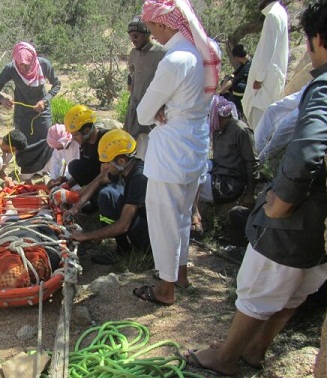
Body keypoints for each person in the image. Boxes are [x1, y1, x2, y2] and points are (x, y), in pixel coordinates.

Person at [183, 2, 327, 375]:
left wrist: (280, 200)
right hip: (322, 222)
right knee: (296, 290)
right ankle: (254, 352)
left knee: (256, 290)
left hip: (299, 214)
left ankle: (226, 358)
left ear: (317, 38)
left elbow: (310, 148)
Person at [133, 0, 221, 306]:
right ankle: (180, 274)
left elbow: (144, 114)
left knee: (164, 220)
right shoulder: (205, 50)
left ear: (167, 24)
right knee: (182, 216)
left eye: (155, 27)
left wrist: (157, 108)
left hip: (170, 151)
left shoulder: (175, 60)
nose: (154, 34)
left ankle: (165, 289)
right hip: (195, 144)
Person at [67, 129, 149, 265]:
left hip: (151, 238)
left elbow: (123, 225)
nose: (104, 166)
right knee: (107, 195)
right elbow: (100, 179)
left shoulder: (139, 178)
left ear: (121, 161)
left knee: (108, 194)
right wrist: (76, 207)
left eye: (107, 162)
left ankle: (131, 253)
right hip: (144, 224)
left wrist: (85, 236)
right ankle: (123, 249)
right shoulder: (127, 167)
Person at [190, 96, 259, 237]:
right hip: (217, 169)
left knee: (190, 181)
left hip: (229, 183)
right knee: (191, 166)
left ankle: (194, 216)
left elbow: (253, 162)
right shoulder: (218, 129)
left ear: (217, 115)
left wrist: (249, 193)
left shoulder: (241, 131)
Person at [0, 42, 61, 145]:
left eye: (26, 66)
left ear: (32, 59)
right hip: (22, 115)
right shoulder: (11, 68)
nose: (23, 69)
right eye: (20, 65)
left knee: (46, 145)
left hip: (42, 113)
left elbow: (57, 84)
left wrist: (45, 101)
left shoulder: (44, 65)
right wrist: (2, 99)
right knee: (23, 146)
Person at [123, 15, 166, 160]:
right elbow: (132, 77)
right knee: (130, 148)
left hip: (153, 108)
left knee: (148, 150)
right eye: (131, 37)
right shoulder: (133, 54)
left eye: (136, 36)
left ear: (147, 33)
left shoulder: (161, 53)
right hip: (134, 107)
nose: (133, 40)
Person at [241, 0, 289, 130]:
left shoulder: (272, 15)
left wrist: (259, 78)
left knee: (260, 124)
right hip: (272, 77)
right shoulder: (280, 12)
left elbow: (267, 50)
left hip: (265, 83)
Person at [64, 104, 108, 191]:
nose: (73, 139)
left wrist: (82, 192)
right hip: (94, 182)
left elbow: (107, 175)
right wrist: (66, 185)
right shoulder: (84, 144)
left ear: (87, 131)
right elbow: (84, 170)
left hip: (108, 185)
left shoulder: (106, 140)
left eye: (76, 135)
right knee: (74, 166)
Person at [217, 44, 251, 116]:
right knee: (226, 81)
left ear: (237, 57)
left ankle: (238, 111)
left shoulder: (248, 66)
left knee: (236, 86)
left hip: (247, 90)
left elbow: (233, 81)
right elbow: (233, 75)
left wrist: (219, 92)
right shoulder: (244, 63)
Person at [45, 123, 80, 189]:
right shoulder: (58, 147)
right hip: (70, 177)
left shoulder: (78, 144)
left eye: (60, 147)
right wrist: (53, 179)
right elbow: (56, 161)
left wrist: (67, 183)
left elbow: (81, 171)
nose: (58, 149)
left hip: (81, 180)